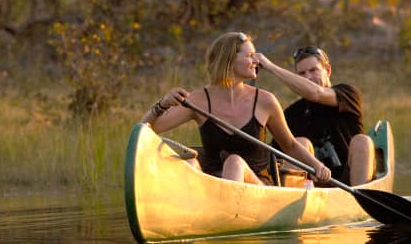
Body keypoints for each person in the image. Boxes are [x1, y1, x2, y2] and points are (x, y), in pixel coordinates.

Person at [140, 32, 331, 185]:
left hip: (257, 187)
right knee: (189, 163)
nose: (256, 60)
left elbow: (289, 145)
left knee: (234, 162)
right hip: (214, 186)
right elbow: (144, 131)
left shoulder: (265, 101)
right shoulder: (198, 100)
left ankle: (228, 218)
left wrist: (318, 166)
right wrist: (162, 104)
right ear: (229, 60)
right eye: (249, 55)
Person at [257, 46, 375, 186]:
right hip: (311, 185)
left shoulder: (347, 95)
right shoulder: (291, 114)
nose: (308, 78)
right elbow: (273, 155)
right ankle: (292, 201)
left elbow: (316, 93)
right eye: (302, 74)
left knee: (363, 141)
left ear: (328, 70)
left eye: (313, 70)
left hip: (350, 180)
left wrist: (271, 67)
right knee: (300, 143)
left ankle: (361, 200)